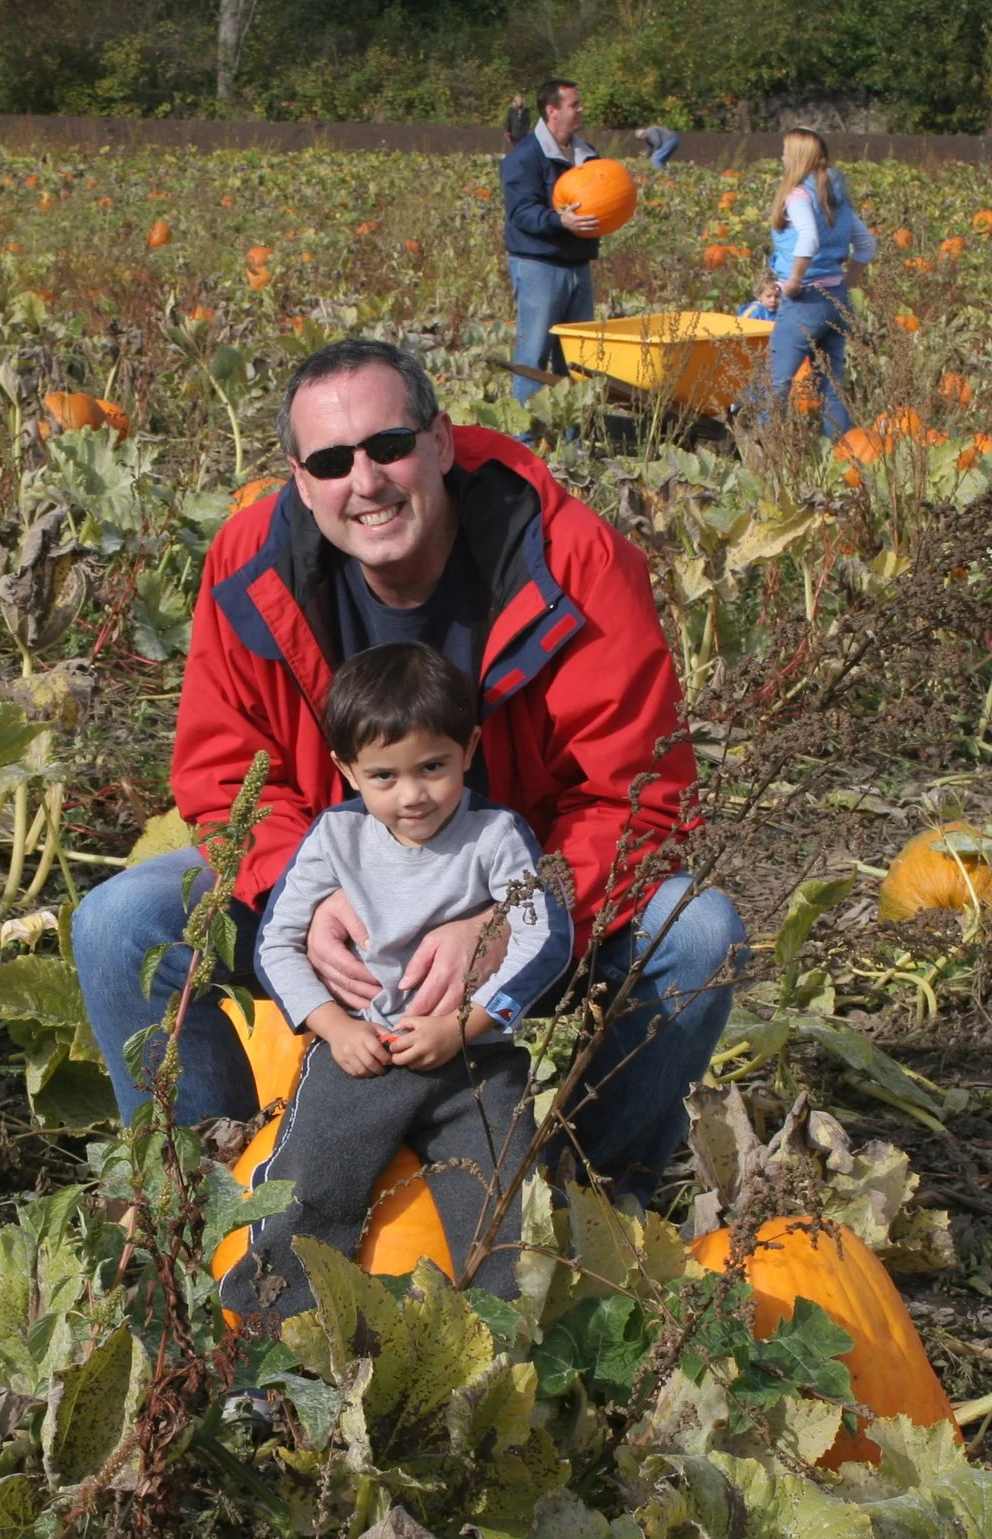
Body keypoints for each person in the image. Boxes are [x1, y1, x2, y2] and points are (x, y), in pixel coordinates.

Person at [71, 336, 747, 1205]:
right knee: (121, 924)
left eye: (389, 446)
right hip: (343, 894)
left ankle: (591, 1204)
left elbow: (636, 798)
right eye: (331, 460)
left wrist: (505, 915)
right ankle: (209, 1211)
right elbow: (224, 774)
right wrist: (299, 895)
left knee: (697, 938)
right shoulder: (249, 568)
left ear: (441, 440)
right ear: (299, 476)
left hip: (528, 892)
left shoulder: (574, 562)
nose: (367, 481)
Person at [219, 643, 566, 1317]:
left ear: (469, 748)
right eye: (384, 775)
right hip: (363, 1053)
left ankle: (503, 1350)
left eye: (433, 767)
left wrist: (463, 1025)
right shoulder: (334, 840)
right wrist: (335, 1026)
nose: (413, 795)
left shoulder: (496, 836)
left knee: (507, 1198)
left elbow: (544, 938)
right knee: (312, 1183)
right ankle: (273, 1342)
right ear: (347, 770)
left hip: (474, 1060)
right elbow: (276, 946)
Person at [756, 127, 876, 439]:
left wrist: (794, 282)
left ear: (796, 157)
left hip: (804, 301)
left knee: (776, 381)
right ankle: (841, 453)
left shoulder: (798, 195)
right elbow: (867, 245)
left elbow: (808, 239)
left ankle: (766, 454)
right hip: (836, 300)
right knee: (832, 384)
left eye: (785, 151)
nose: (781, 156)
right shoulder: (836, 196)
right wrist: (845, 282)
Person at [499, 79, 604, 410]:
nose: (581, 109)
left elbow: (602, 197)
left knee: (577, 357)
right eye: (574, 104)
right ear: (552, 110)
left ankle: (571, 436)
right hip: (538, 266)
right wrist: (560, 220)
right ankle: (524, 440)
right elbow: (522, 214)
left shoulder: (587, 156)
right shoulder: (525, 157)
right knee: (533, 356)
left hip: (578, 265)